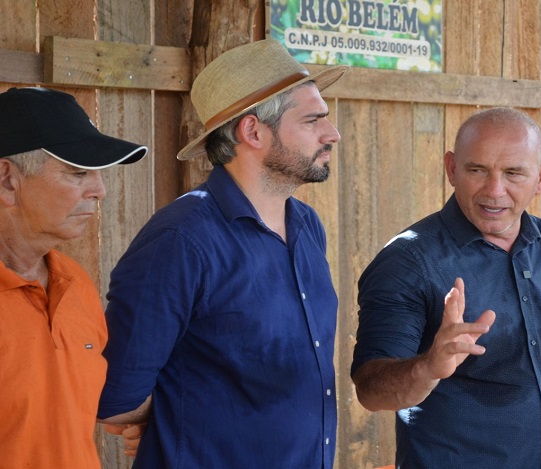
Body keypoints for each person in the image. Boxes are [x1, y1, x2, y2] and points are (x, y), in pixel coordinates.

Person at [96, 39, 348, 468]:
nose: (333, 133)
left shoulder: (307, 226)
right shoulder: (181, 239)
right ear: (252, 131)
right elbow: (115, 396)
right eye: (312, 121)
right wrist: (171, 421)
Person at [350, 107, 541, 468]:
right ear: (451, 169)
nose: (494, 190)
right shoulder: (407, 260)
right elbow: (370, 390)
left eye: (513, 173)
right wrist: (429, 367)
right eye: (477, 170)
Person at [0, 87, 147, 468]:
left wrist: (152, 416)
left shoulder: (76, 285)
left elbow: (64, 399)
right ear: (6, 180)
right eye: (78, 172)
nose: (99, 190)